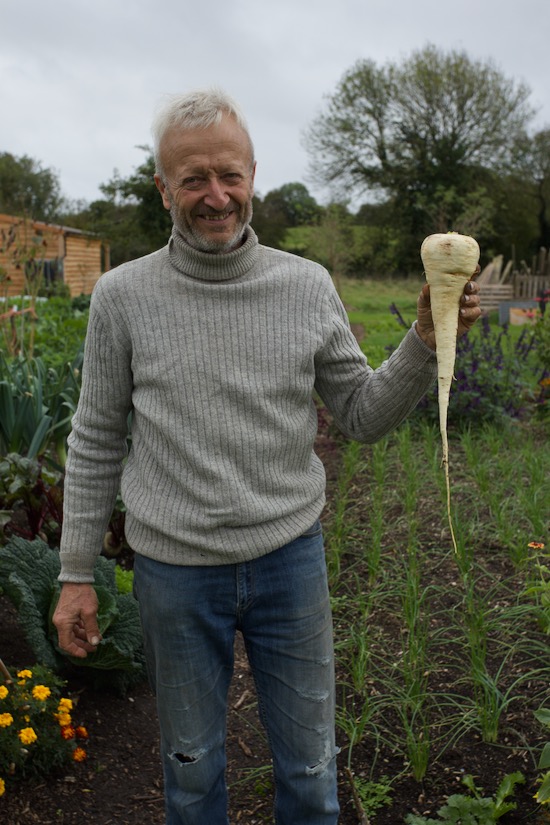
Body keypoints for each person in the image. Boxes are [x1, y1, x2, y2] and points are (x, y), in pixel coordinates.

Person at [53, 88, 481, 825]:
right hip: (175, 573)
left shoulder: (306, 286)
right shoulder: (123, 297)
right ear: (163, 190)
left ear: (254, 178)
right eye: (193, 179)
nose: (215, 196)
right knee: (191, 775)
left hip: (291, 560)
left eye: (230, 175)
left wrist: (425, 340)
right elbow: (94, 439)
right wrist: (75, 574)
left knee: (312, 774)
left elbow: (362, 413)